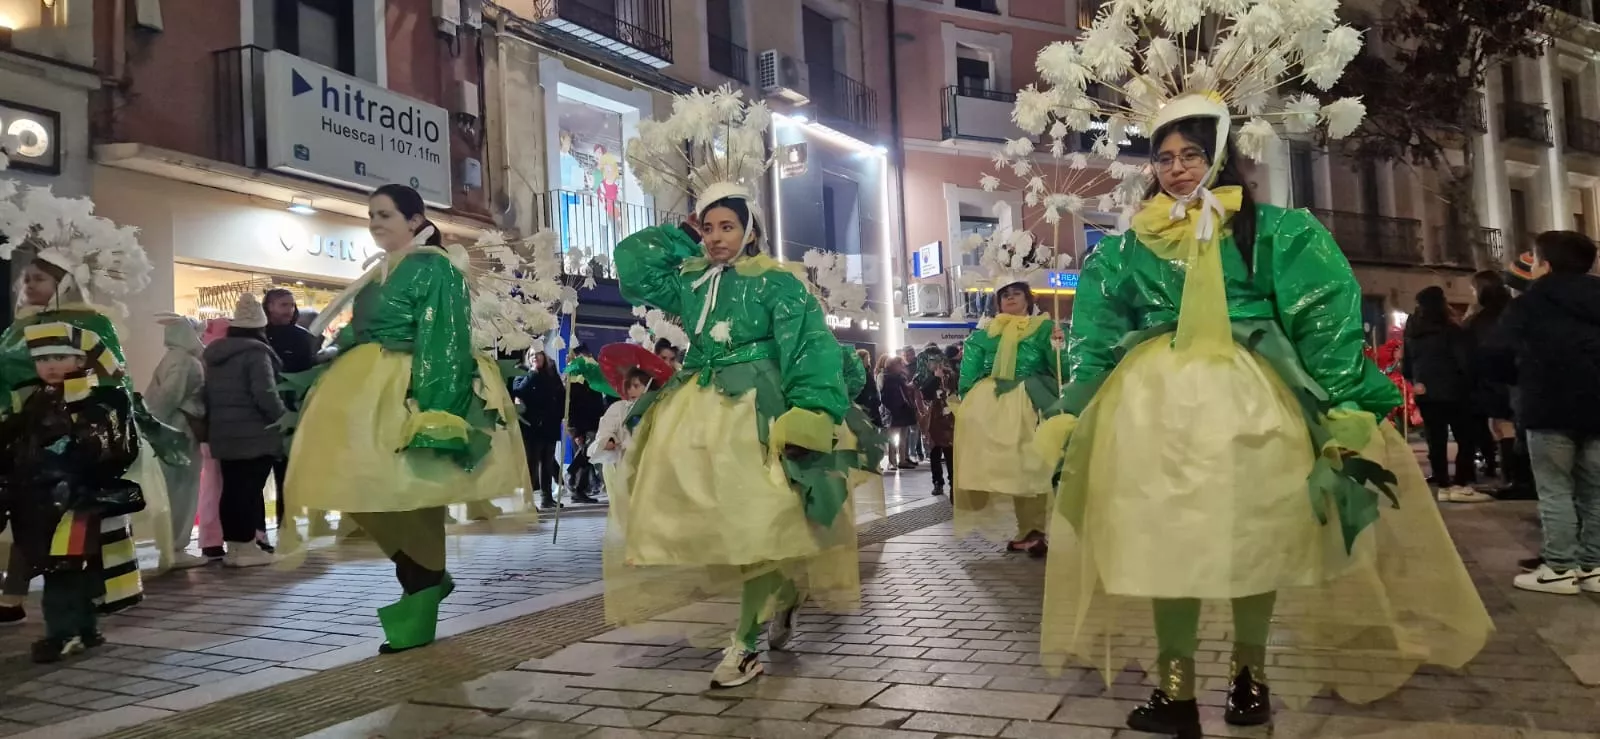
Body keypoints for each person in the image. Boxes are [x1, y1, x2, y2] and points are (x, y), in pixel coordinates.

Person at [1035, 77, 1489, 736]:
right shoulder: (1133, 243)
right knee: (1165, 544)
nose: (1176, 168)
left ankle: (1251, 677)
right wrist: (1074, 409)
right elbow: (1096, 331)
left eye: (1190, 154)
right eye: (1164, 158)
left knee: (1255, 538)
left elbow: (1322, 316)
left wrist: (1343, 403)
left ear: (1218, 156)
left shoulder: (1276, 231)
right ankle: (1175, 690)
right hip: (1149, 415)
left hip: (1253, 403)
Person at [610, 179, 858, 690]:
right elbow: (632, 265)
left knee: (760, 522)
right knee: (728, 529)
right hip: (697, 412)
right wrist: (681, 236)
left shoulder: (779, 283)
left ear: (751, 230)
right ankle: (785, 593)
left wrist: (809, 412)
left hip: (759, 410)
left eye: (728, 226)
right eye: (708, 227)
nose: (716, 237)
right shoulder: (691, 279)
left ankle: (744, 644)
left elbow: (811, 347)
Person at [282, 184, 531, 654]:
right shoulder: (380, 271)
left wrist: (438, 410)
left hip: (412, 388)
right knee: (361, 490)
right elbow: (359, 332)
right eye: (371, 215)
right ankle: (428, 579)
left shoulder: (435, 268)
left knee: (413, 497)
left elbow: (444, 337)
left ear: (416, 220)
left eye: (386, 214)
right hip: (365, 390)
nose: (375, 222)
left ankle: (420, 594)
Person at [0, 323, 143, 663]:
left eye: (61, 356)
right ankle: (84, 628)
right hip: (38, 502)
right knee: (70, 567)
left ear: (83, 359)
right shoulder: (31, 398)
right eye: (42, 358)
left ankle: (63, 633)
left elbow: (116, 450)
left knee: (64, 568)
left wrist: (77, 442)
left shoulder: (103, 400)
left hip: (77, 502)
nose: (50, 365)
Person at [1494, 231, 1600, 595]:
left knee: (1555, 489)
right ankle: (1594, 565)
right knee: (1595, 491)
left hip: (1547, 406)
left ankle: (1559, 568)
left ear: (1547, 264)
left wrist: (1520, 380)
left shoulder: (1528, 304)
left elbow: (1498, 355)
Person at [952, 281, 1063, 554]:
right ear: (998, 302)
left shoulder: (1045, 329)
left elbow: (1063, 367)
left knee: (1034, 465)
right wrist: (968, 407)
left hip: (1033, 401)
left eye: (1017, 294)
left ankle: (1037, 530)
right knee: (1013, 471)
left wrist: (1060, 345)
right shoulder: (982, 336)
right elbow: (969, 375)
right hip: (994, 405)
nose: (1011, 299)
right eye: (1005, 295)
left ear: (1028, 299)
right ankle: (1029, 530)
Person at [202, 293, 286, 568]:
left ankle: (235, 547)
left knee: (232, 490)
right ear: (260, 328)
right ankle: (247, 546)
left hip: (224, 434)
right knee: (249, 491)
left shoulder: (215, 354)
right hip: (254, 434)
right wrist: (283, 419)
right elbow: (265, 393)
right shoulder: (256, 353)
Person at [1403, 286, 1488, 502]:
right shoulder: (1452, 331)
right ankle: (1460, 482)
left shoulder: (1413, 333)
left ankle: (1442, 483)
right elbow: (1465, 362)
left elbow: (1406, 367)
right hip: (1455, 391)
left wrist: (1418, 381)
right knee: (1465, 438)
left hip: (1426, 392)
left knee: (1435, 439)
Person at [262, 288, 332, 536]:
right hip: (263, 413)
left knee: (287, 473)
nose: (289, 310)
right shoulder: (260, 337)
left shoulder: (302, 337)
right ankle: (258, 532)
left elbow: (309, 369)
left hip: (294, 410)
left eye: (291, 305)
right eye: (283, 305)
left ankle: (286, 523)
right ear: (269, 306)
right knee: (259, 476)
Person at [145, 314, 208, 569]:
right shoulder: (185, 361)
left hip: (170, 432)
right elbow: (168, 396)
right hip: (180, 432)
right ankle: (175, 546)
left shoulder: (172, 358)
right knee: (181, 490)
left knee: (172, 489)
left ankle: (170, 545)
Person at [1463, 271, 1524, 498]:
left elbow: (1475, 354)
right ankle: (1512, 476)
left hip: (1495, 381)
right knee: (1508, 428)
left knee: (1502, 427)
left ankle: (1512, 478)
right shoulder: (1511, 311)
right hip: (1514, 380)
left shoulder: (1481, 320)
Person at [513, 351, 567, 509]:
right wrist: (532, 374)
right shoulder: (522, 374)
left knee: (548, 463)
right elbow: (518, 391)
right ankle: (528, 501)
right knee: (531, 464)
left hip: (550, 425)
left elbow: (561, 395)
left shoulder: (551, 376)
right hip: (533, 427)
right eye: (531, 355)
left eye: (538, 354)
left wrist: (560, 415)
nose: (535, 357)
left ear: (544, 356)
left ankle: (547, 498)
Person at [564, 345, 612, 505]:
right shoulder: (574, 380)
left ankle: (579, 487)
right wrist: (575, 431)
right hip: (583, 425)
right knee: (587, 453)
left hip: (594, 421)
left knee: (589, 454)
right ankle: (575, 481)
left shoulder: (594, 378)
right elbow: (570, 408)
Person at [921, 356, 957, 496]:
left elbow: (954, 391)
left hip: (948, 419)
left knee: (949, 453)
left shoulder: (952, 376)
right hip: (935, 419)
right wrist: (936, 378)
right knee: (935, 452)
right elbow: (925, 392)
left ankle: (953, 483)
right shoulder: (931, 379)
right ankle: (937, 482)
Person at [880, 357, 918, 469]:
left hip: (904, 410)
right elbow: (885, 397)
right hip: (893, 411)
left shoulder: (900, 377)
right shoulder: (886, 378)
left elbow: (905, 391)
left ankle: (902, 460)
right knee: (892, 438)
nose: (902, 366)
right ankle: (892, 461)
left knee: (903, 437)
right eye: (900, 364)